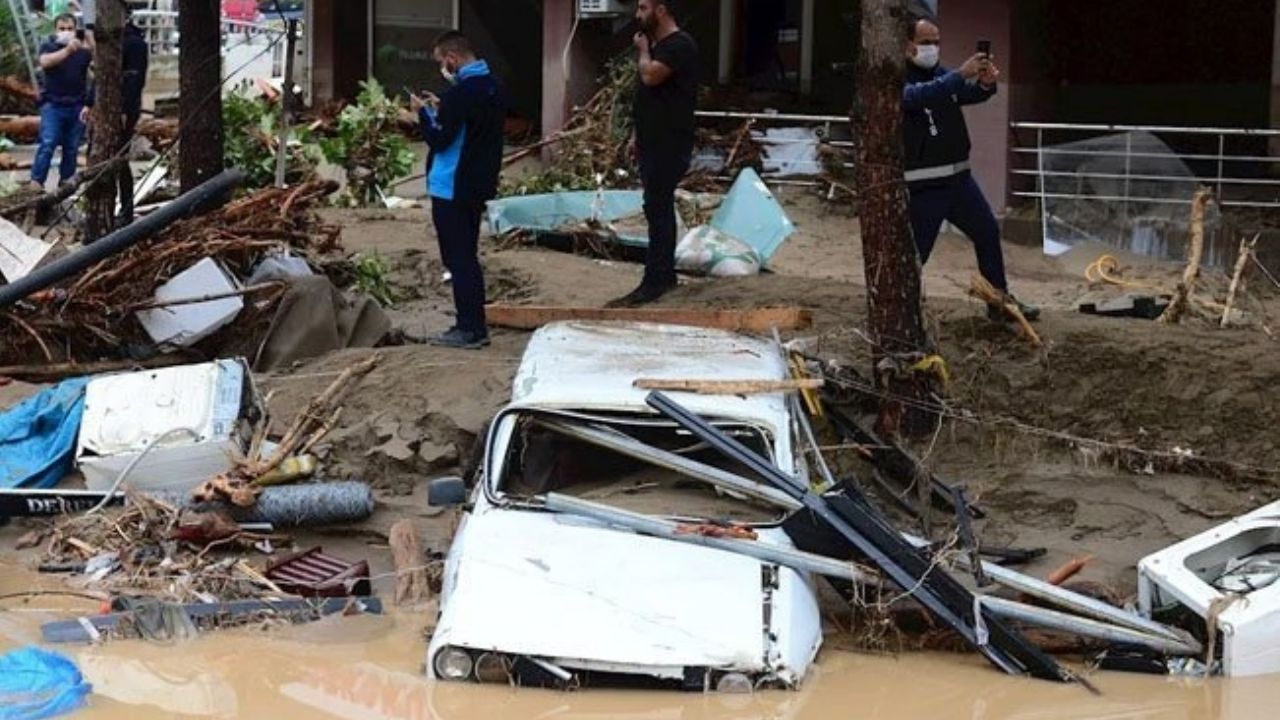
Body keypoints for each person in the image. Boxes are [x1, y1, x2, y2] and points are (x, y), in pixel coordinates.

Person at [902, 17, 1040, 321]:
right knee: (916, 254)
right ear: (907, 45)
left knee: (988, 232)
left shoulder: (941, 75)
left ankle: (999, 302)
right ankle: (900, 311)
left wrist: (986, 85)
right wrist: (959, 76)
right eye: (926, 42)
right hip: (924, 187)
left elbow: (965, 92)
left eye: (937, 42)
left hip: (960, 181)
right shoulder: (898, 80)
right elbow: (917, 97)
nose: (933, 48)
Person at [411, 31, 505, 349]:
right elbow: (468, 126)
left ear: (452, 58)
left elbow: (440, 138)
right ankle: (473, 323)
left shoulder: (461, 94)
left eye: (442, 62)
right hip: (477, 184)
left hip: (452, 185)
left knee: (458, 258)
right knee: (468, 254)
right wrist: (444, 108)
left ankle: (470, 328)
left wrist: (423, 113)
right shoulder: (492, 86)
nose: (443, 68)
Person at [607, 0, 699, 308]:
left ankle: (657, 280)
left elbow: (650, 77)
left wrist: (643, 50)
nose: (637, 15)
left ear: (661, 10)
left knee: (658, 208)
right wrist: (636, 135)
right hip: (651, 139)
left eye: (643, 7)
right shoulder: (661, 46)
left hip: (669, 141)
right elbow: (648, 97)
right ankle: (661, 275)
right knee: (654, 206)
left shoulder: (678, 45)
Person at [31, 13, 93, 192]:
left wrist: (89, 39)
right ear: (56, 30)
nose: (66, 32)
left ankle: (66, 182)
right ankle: (37, 181)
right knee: (48, 142)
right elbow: (45, 62)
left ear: (75, 30)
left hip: (76, 105)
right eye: (62, 29)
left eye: (70, 29)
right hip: (53, 104)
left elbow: (98, 63)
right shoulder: (49, 46)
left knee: (72, 146)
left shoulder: (83, 52)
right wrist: (67, 50)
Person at [117, 9, 149, 223]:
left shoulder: (134, 43)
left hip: (125, 109)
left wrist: (125, 111)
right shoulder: (111, 40)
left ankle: (126, 210)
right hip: (111, 108)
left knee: (120, 160)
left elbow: (134, 81)